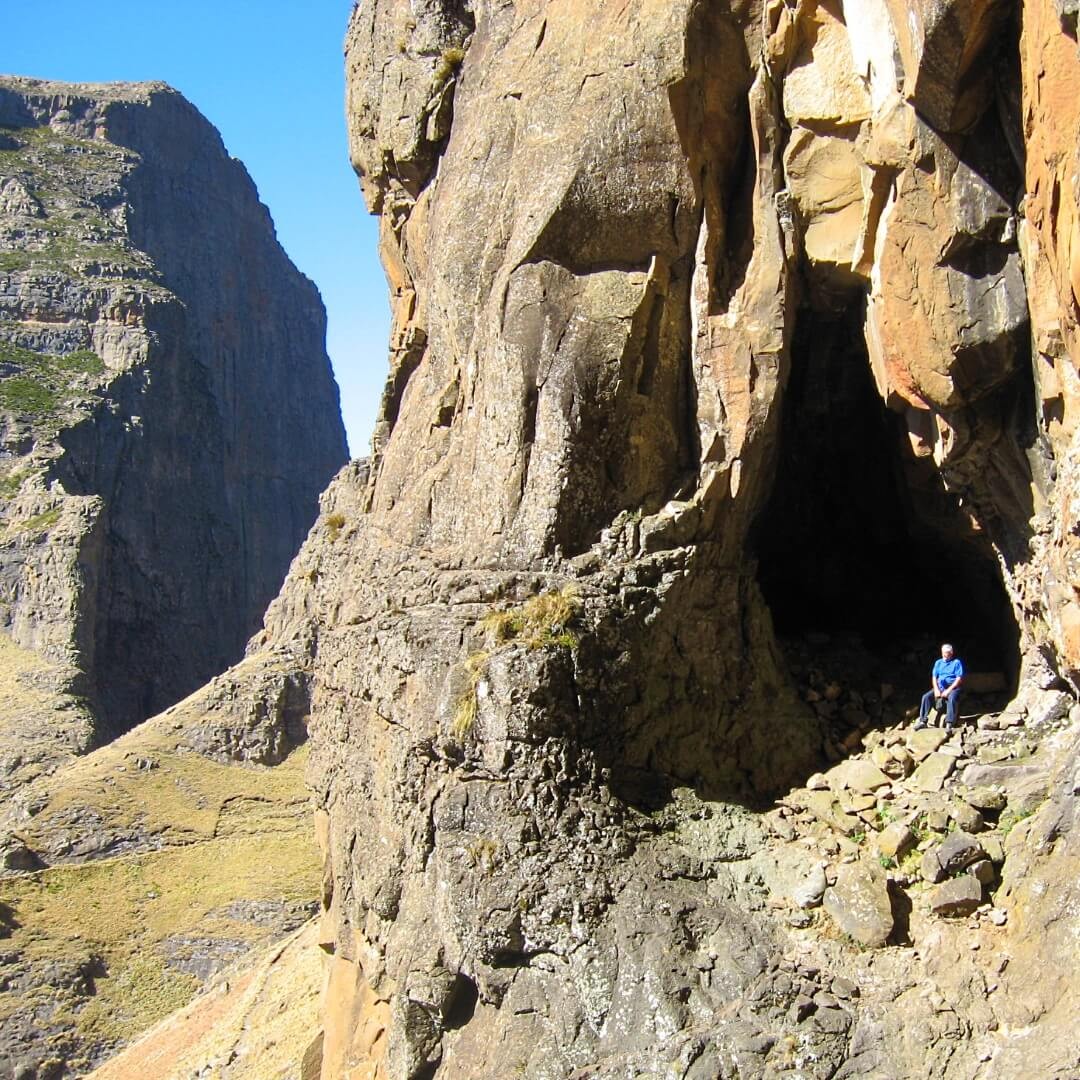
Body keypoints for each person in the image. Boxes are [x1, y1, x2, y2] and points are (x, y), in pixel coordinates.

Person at [914, 643, 965, 731]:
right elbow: (934, 677)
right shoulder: (938, 662)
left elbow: (959, 678)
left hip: (952, 686)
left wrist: (948, 690)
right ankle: (923, 721)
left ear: (951, 653)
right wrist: (936, 689)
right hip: (940, 686)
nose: (944, 655)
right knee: (926, 697)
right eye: (943, 653)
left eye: (947, 653)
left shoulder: (956, 663)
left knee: (951, 698)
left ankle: (949, 723)